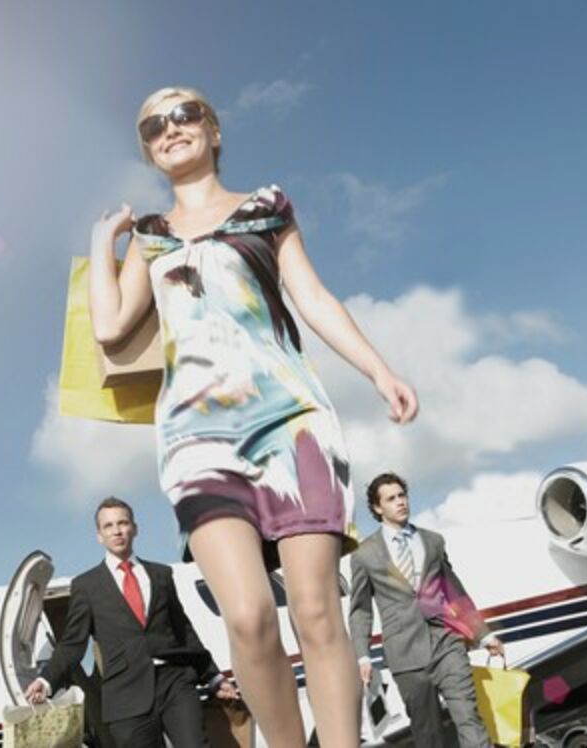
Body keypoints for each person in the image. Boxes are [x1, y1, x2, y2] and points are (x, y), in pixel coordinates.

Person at [86, 86, 418, 748]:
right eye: (153, 126)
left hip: (292, 422)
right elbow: (111, 327)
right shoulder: (150, 237)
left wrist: (378, 370)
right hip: (196, 437)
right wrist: (103, 242)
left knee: (317, 611)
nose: (169, 128)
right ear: (148, 150)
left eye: (184, 114)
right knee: (247, 617)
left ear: (213, 129)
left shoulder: (267, 208)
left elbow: (313, 297)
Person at [24, 497, 238, 747]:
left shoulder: (161, 575)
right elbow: (73, 643)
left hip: (174, 681)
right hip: (126, 694)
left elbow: (183, 630)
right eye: (108, 526)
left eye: (123, 523)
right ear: (99, 536)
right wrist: (46, 680)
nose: (117, 531)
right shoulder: (87, 585)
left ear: (134, 529)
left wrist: (212, 676)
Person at [349, 472, 505, 748]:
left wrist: (484, 634)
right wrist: (363, 655)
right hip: (405, 654)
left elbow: (455, 592)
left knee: (468, 717)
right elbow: (360, 610)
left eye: (402, 495)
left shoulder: (433, 542)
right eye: (391, 498)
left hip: (446, 642)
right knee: (427, 733)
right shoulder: (365, 554)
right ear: (377, 508)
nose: (400, 502)